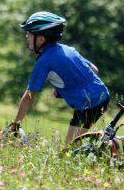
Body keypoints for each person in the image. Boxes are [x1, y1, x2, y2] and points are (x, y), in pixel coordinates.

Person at [8, 11, 109, 144]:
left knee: (71, 149)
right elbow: (94, 70)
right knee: (73, 146)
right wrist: (64, 89)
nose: (26, 36)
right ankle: (104, 145)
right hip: (103, 96)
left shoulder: (44, 61)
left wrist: (15, 125)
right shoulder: (67, 49)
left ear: (41, 39)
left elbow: (29, 96)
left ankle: (106, 147)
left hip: (88, 106)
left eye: (30, 33)